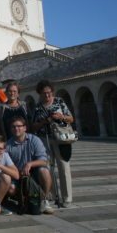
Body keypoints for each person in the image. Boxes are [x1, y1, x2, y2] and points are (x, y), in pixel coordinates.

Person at [32, 80, 75, 208]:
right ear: (39, 93)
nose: (47, 95)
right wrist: (46, 120)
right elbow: (33, 126)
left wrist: (61, 117)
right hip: (44, 139)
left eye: (49, 93)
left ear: (52, 92)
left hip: (62, 138)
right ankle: (52, 195)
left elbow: (71, 118)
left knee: (64, 166)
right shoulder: (37, 107)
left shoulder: (59, 102)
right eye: (44, 93)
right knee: (48, 168)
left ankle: (67, 198)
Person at [6, 116, 54, 214]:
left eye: (19, 126)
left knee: (44, 170)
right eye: (13, 127)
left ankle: (44, 200)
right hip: (19, 175)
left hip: (35, 173)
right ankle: (23, 200)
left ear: (25, 128)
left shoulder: (34, 140)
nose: (16, 129)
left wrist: (30, 164)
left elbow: (45, 161)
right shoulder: (8, 145)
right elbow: (7, 165)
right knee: (10, 188)